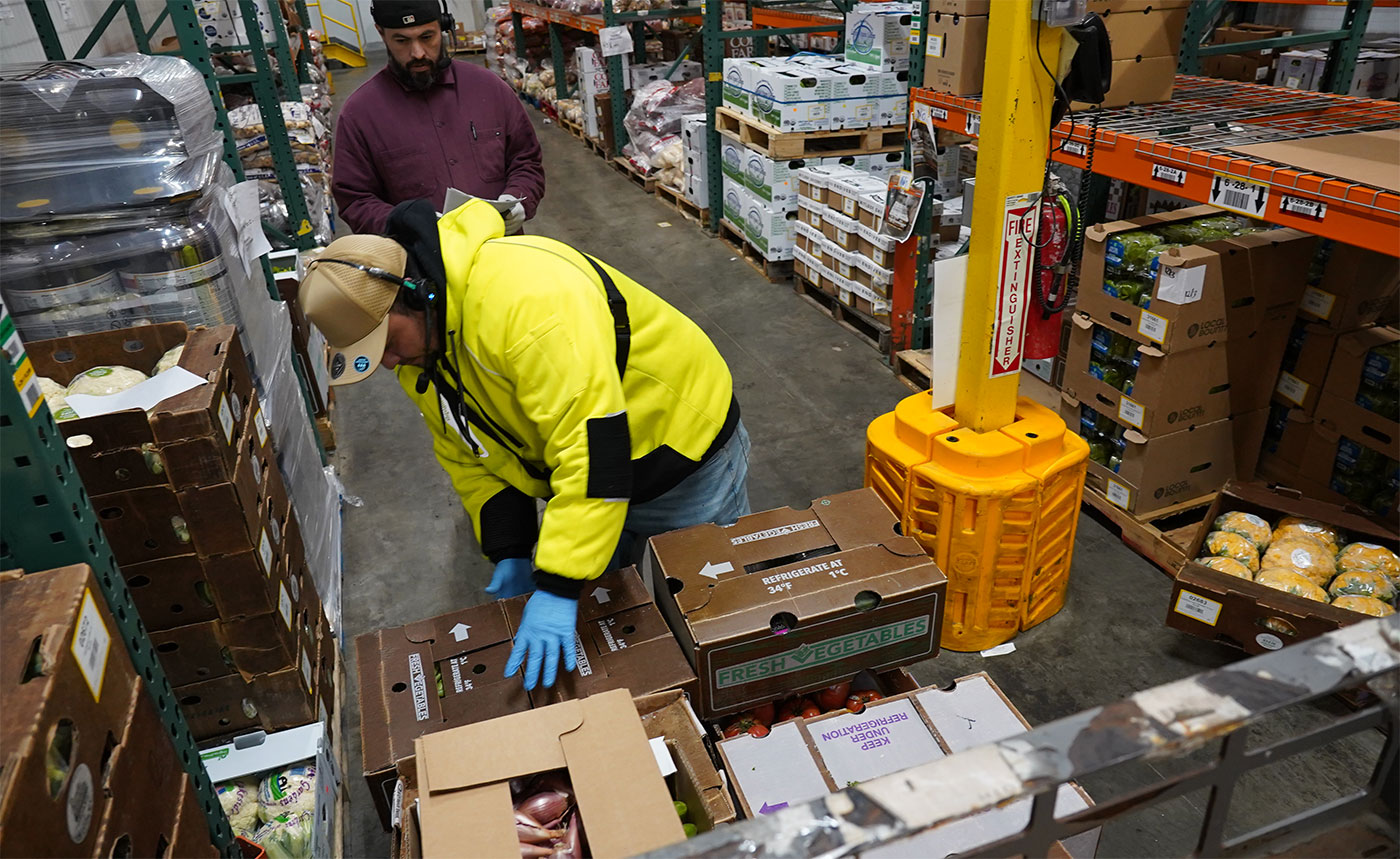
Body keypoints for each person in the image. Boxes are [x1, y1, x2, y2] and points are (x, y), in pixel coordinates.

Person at [299, 199, 750, 691]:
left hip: (678, 450)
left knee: (709, 612)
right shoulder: (423, 348)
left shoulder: (527, 304)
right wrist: (509, 544)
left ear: (417, 295)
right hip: (589, 480)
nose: (387, 363)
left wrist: (558, 586)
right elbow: (466, 447)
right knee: (612, 625)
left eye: (386, 343)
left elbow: (593, 451)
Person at [332, 0, 545, 236]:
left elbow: (526, 160)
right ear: (381, 34)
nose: (418, 53)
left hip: (502, 254)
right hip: (420, 264)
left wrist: (517, 200)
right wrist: (406, 224)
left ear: (443, 28)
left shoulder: (489, 89)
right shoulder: (360, 114)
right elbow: (354, 199)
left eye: (427, 37)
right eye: (401, 41)